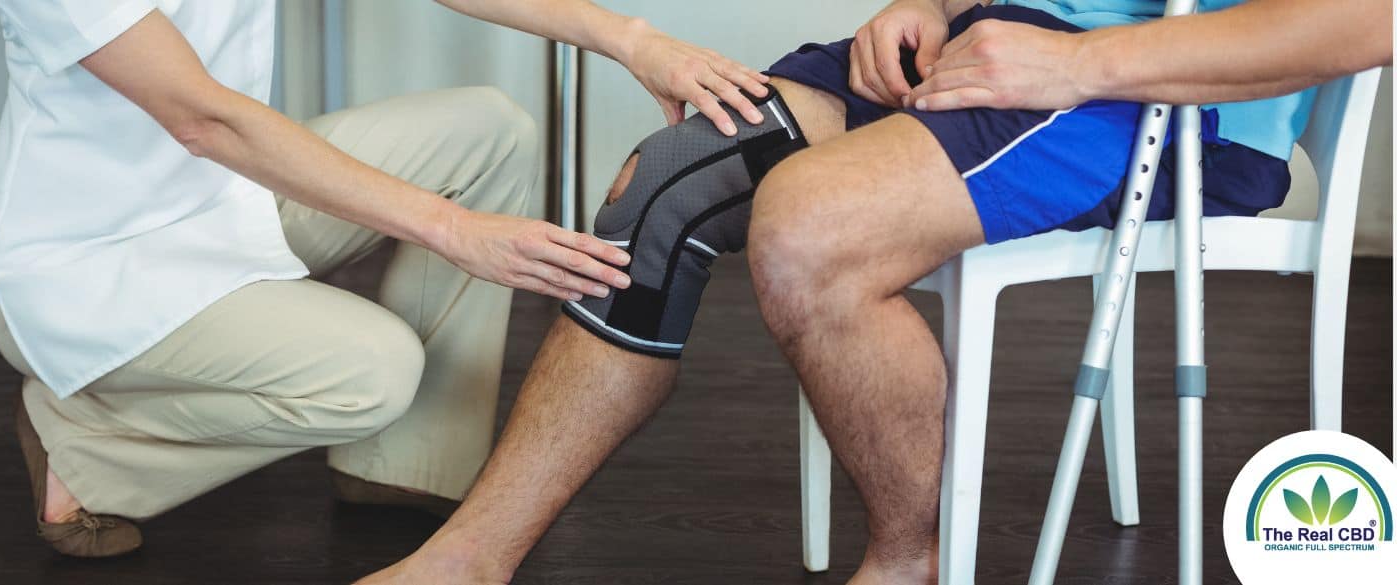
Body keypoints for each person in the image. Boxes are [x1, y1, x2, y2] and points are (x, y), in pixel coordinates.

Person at [359, 0, 1392, 583]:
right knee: (665, 182)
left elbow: (1366, 19)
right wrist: (932, 3)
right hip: (1008, 37)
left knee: (812, 227)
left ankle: (911, 562)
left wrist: (1083, 63)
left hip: (1165, 97)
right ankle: (471, 557)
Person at [0, 0, 771, 558]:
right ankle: (80, 446)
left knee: (491, 131)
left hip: (220, 195)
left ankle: (408, 466)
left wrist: (631, 40)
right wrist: (453, 230)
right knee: (374, 373)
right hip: (86, 264)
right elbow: (202, 119)